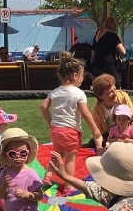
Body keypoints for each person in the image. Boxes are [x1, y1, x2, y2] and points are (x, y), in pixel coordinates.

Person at [39, 52, 102, 196]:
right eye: (81, 76)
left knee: (56, 154)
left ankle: (48, 177)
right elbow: (85, 113)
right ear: (74, 75)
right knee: (70, 158)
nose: (82, 79)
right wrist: (95, 129)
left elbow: (43, 107)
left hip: (56, 131)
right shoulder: (78, 93)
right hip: (70, 132)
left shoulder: (55, 92)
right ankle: (68, 185)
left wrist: (51, 123)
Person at [91, 16, 126, 84]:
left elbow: (93, 53)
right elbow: (123, 52)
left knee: (101, 88)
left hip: (97, 66)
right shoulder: (113, 35)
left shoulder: (97, 35)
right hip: (109, 66)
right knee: (116, 86)